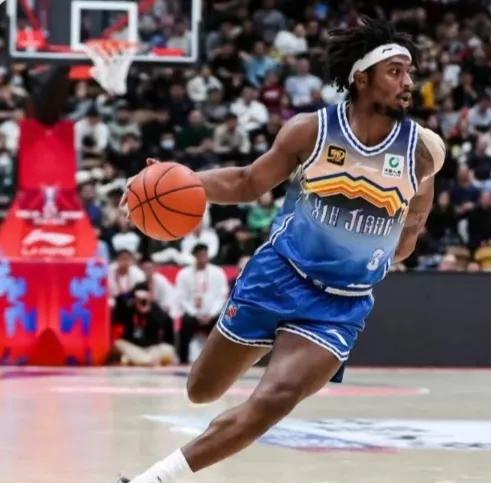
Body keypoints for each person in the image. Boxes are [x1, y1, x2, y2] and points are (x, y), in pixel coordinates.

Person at [116, 16, 444, 483]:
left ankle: (152, 479)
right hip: (278, 275)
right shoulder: (311, 131)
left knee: (274, 400)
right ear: (361, 77)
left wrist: (372, 260)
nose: (408, 82)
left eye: (410, 72)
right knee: (201, 390)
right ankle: (266, 338)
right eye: (396, 71)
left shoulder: (422, 153)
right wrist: (172, 182)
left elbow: (411, 230)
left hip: (339, 306)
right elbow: (247, 181)